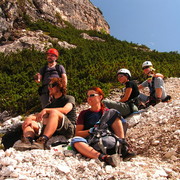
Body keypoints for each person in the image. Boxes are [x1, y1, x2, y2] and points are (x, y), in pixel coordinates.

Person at [71, 87, 135, 167]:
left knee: (114, 113)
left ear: (100, 97)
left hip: (108, 139)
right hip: (93, 141)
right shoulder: (84, 114)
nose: (89, 98)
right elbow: (78, 133)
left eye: (92, 95)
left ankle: (123, 147)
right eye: (88, 96)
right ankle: (104, 158)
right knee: (76, 141)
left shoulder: (108, 113)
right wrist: (91, 131)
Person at [14, 77, 76, 151]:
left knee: (54, 112)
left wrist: (47, 110)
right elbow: (39, 115)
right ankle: (28, 141)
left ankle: (42, 141)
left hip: (68, 129)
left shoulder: (69, 98)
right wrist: (29, 118)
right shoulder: (51, 104)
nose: (49, 88)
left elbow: (65, 110)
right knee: (30, 122)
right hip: (54, 130)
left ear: (59, 86)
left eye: (51, 86)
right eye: (48, 86)